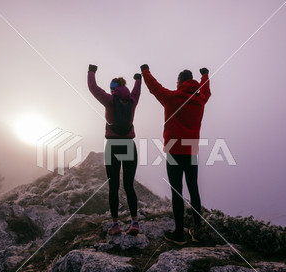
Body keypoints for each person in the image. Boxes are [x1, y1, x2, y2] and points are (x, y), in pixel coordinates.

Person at [140, 64, 211, 245]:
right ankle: (198, 231)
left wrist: (145, 71)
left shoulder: (172, 97)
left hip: (173, 150)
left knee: (177, 191)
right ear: (191, 81)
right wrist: (205, 76)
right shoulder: (200, 98)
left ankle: (179, 234)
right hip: (191, 149)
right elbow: (206, 91)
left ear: (180, 82)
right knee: (193, 189)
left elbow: (154, 88)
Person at [87, 64, 141, 236]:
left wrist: (91, 72)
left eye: (111, 88)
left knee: (113, 186)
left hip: (112, 145)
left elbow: (93, 88)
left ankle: (115, 224)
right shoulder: (132, 100)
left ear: (114, 89)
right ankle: (134, 222)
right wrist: (138, 79)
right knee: (129, 186)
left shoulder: (109, 100)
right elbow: (137, 90)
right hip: (129, 145)